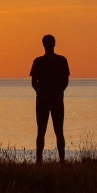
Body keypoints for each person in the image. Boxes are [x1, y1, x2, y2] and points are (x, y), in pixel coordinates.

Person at [30, 34, 69, 163]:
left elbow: (34, 83)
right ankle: (61, 160)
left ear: (43, 44)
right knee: (58, 130)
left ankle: (39, 160)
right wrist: (57, 92)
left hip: (43, 100)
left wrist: (41, 92)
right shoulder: (61, 60)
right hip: (56, 99)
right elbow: (65, 81)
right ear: (54, 44)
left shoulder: (38, 61)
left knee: (41, 130)